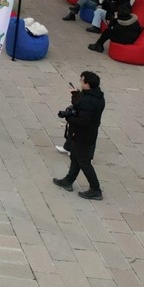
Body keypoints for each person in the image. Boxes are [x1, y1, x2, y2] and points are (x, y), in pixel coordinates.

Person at [53, 71, 105, 200]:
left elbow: (83, 120)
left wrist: (69, 118)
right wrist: (76, 95)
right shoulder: (97, 96)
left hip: (83, 135)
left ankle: (95, 189)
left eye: (82, 80)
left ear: (87, 84)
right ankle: (68, 180)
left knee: (84, 162)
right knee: (76, 158)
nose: (80, 82)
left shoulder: (88, 101)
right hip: (87, 134)